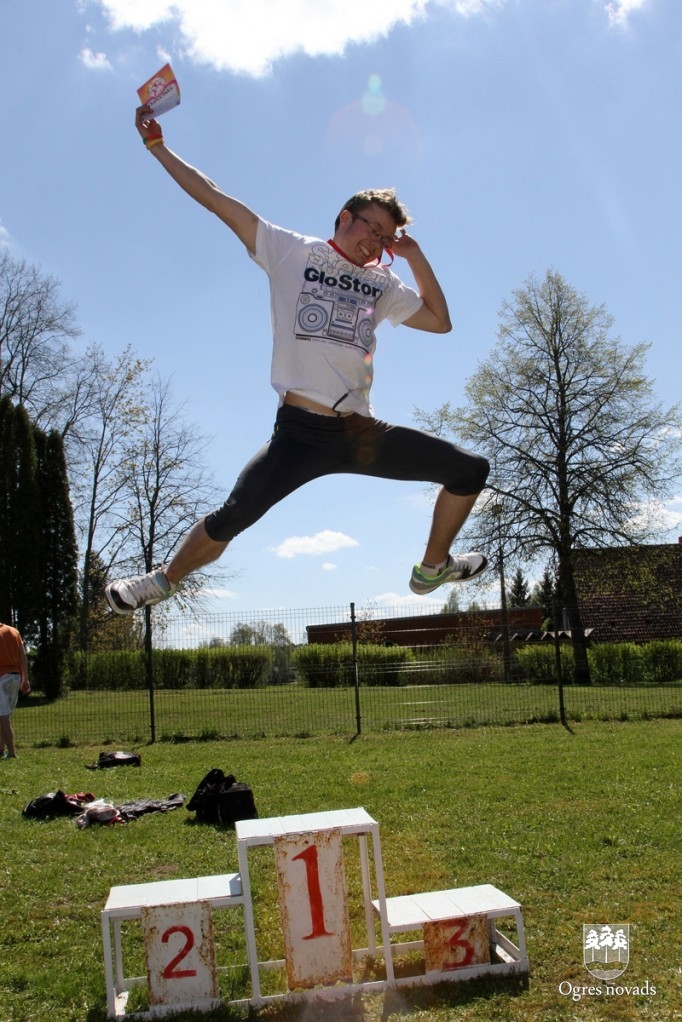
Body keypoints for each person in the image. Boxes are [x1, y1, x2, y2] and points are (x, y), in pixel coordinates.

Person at [105, 105, 490, 615]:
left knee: (469, 470)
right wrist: (158, 147)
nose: (373, 242)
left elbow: (440, 321)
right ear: (344, 217)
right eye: (369, 228)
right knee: (234, 514)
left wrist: (413, 255)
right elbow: (218, 201)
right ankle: (162, 579)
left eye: (383, 238)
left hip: (360, 433)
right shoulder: (291, 251)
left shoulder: (385, 284)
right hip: (299, 434)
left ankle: (432, 568)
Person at [0, 621, 30, 759]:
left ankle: (11, 753)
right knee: (4, 715)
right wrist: (25, 679)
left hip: (1, 678)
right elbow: (23, 657)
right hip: (15, 677)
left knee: (3, 717)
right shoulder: (14, 631)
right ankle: (1, 749)